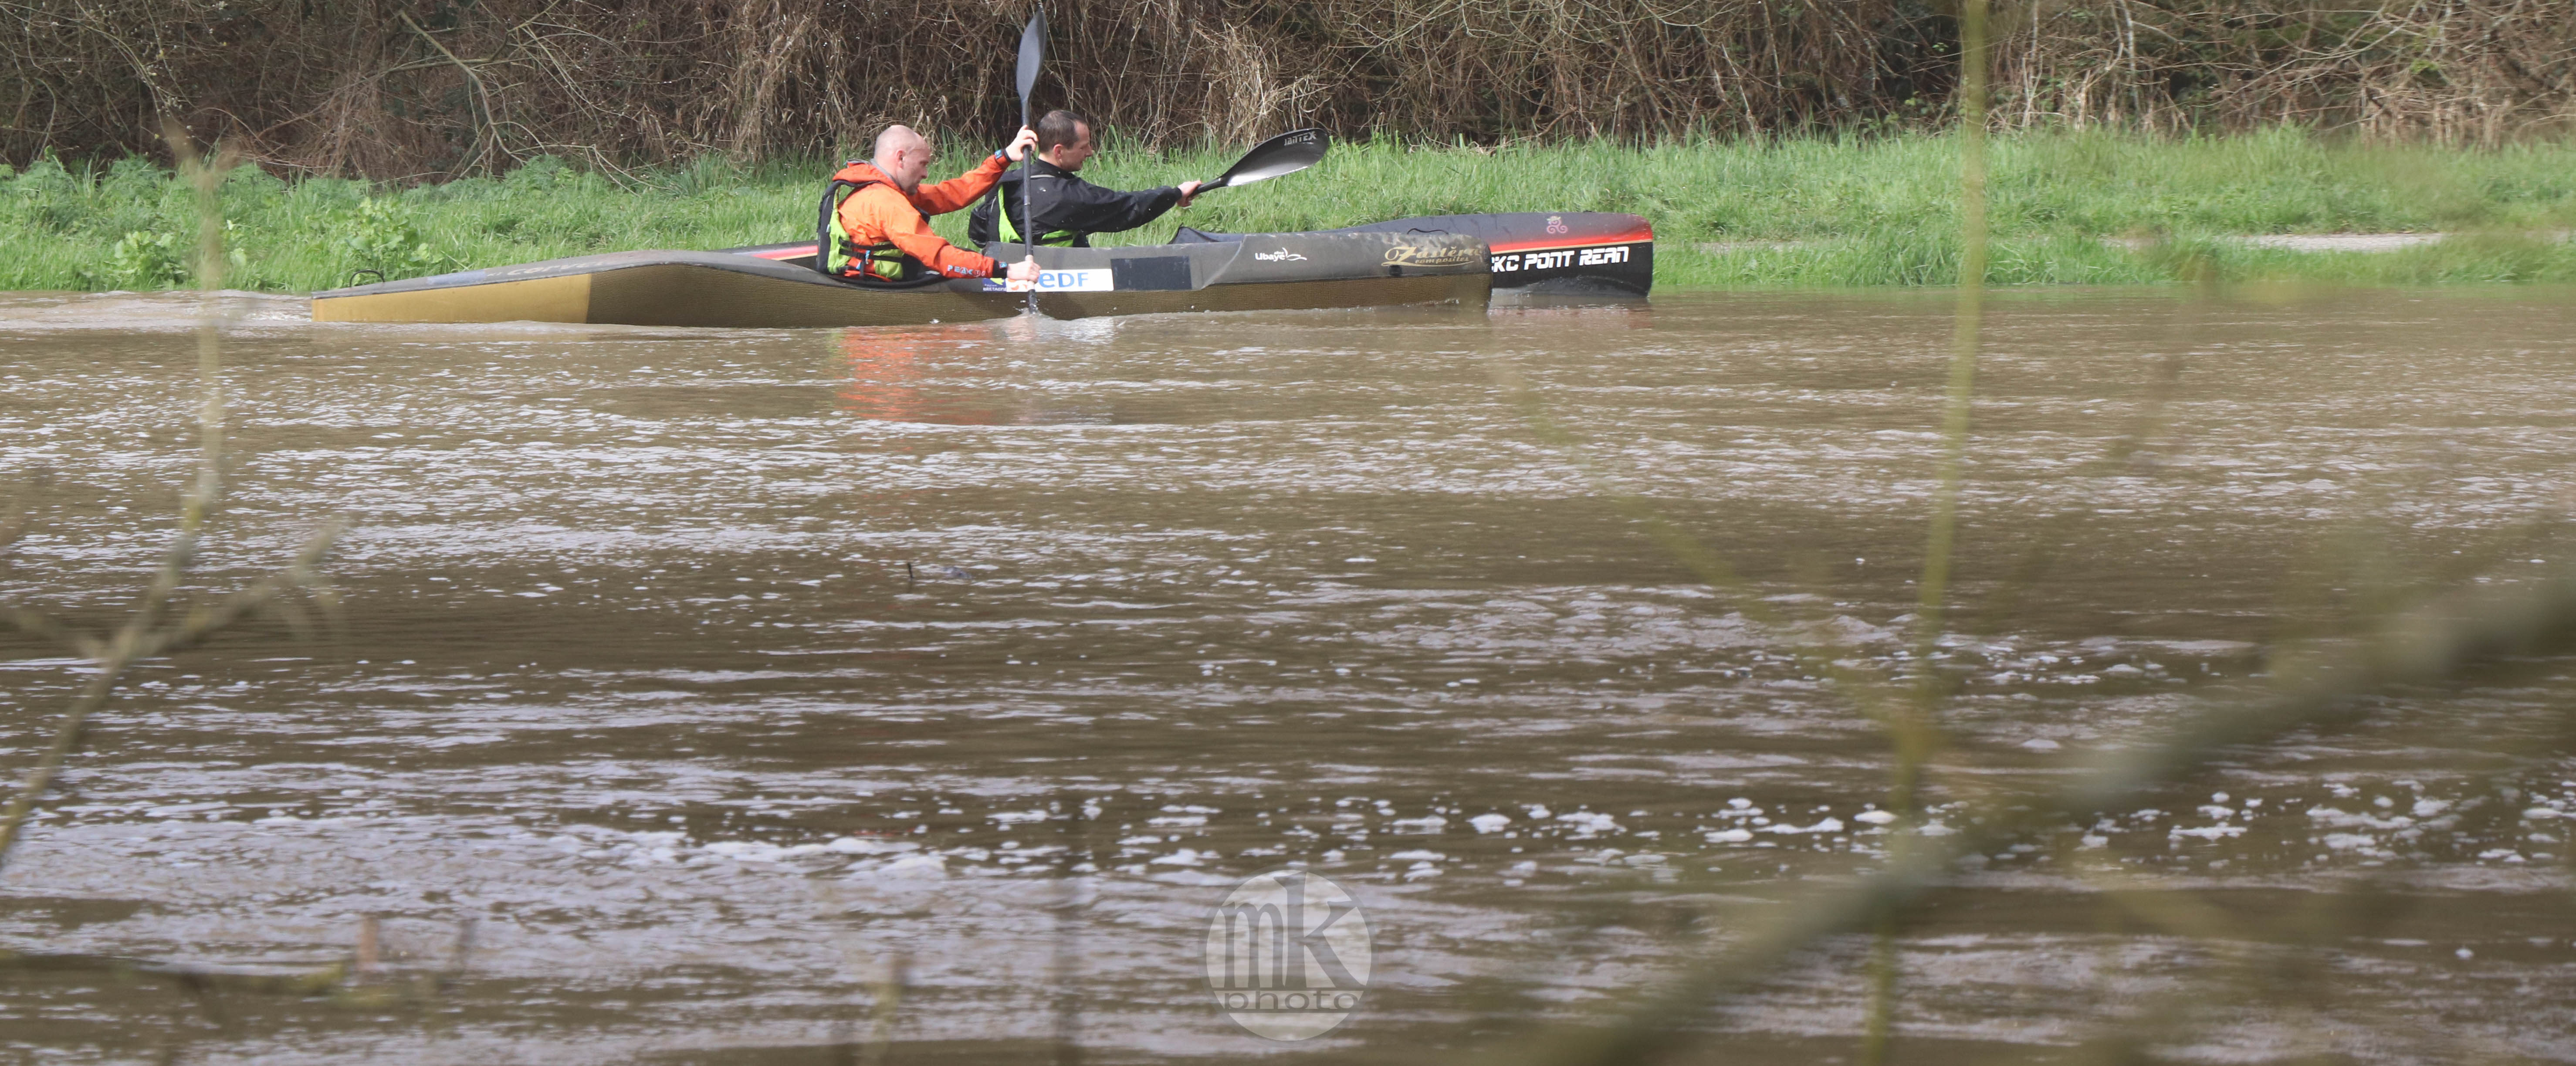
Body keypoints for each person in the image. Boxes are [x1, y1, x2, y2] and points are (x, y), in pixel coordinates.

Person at [820, 125, 1042, 285]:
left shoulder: (886, 190)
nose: (926, 173)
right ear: (901, 159)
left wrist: (1003, 158)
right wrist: (1008, 270)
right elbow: (939, 257)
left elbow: (953, 194)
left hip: (874, 279)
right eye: (923, 164)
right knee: (963, 264)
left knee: (965, 257)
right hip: (871, 286)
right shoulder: (885, 201)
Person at [967, 110, 1201, 247]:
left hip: (1010, 276)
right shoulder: (1067, 196)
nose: (1090, 153)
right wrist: (1176, 193)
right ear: (1059, 151)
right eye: (1084, 146)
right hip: (1058, 284)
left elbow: (978, 229)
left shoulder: (1006, 181)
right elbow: (1128, 208)